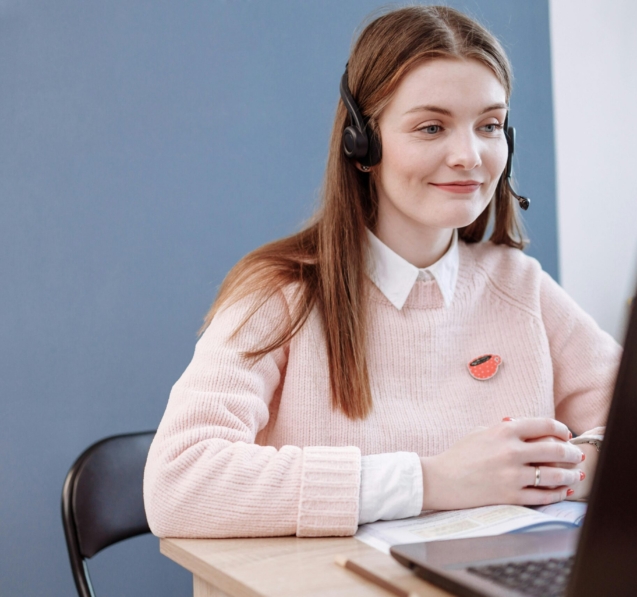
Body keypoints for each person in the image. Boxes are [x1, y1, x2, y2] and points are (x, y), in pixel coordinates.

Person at [143, 5, 620, 539]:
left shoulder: (518, 285)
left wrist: (551, 472)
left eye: (489, 125)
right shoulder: (280, 295)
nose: (469, 154)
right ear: (362, 143)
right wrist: (432, 481)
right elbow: (178, 482)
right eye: (431, 126)